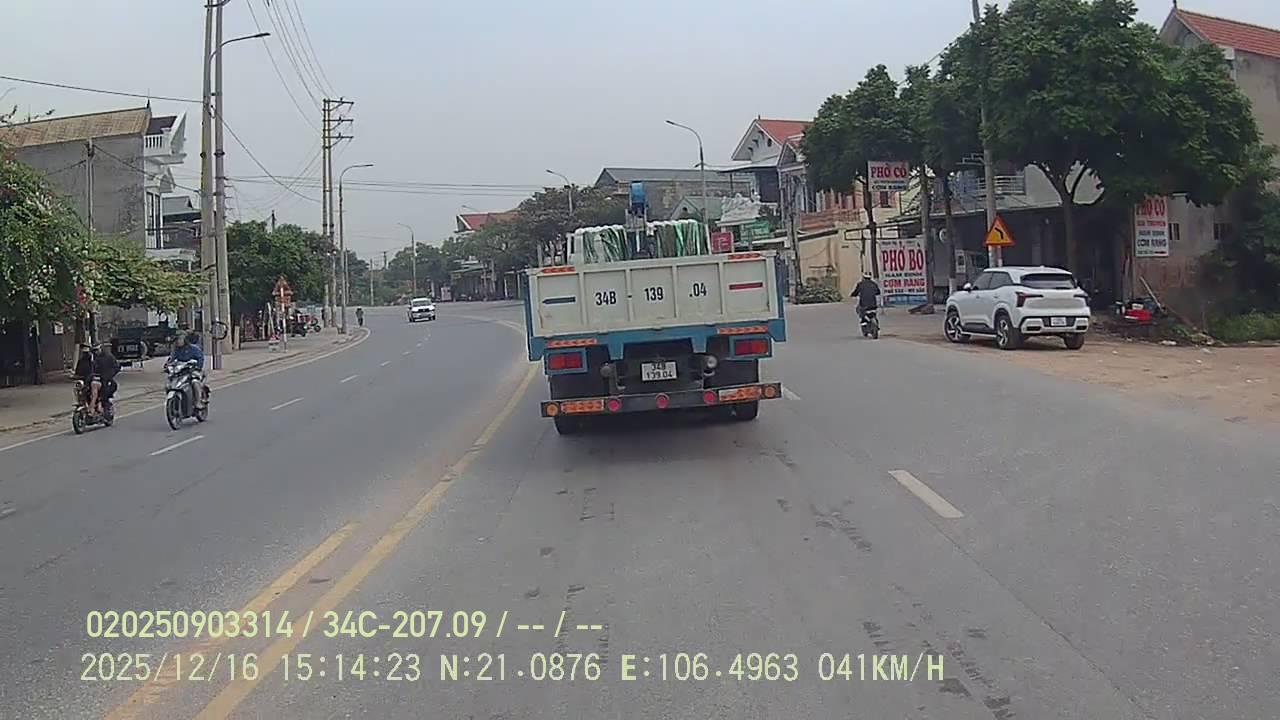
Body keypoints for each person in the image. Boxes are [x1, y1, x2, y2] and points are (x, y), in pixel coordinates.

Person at [168, 332, 207, 407]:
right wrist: (168, 365)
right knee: (170, 382)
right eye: (177, 339)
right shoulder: (176, 350)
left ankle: (198, 401)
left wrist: (198, 367)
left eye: (180, 339)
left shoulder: (194, 348)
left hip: (193, 370)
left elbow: (200, 358)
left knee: (195, 382)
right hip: (181, 371)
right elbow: (172, 359)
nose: (178, 341)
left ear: (185, 340)